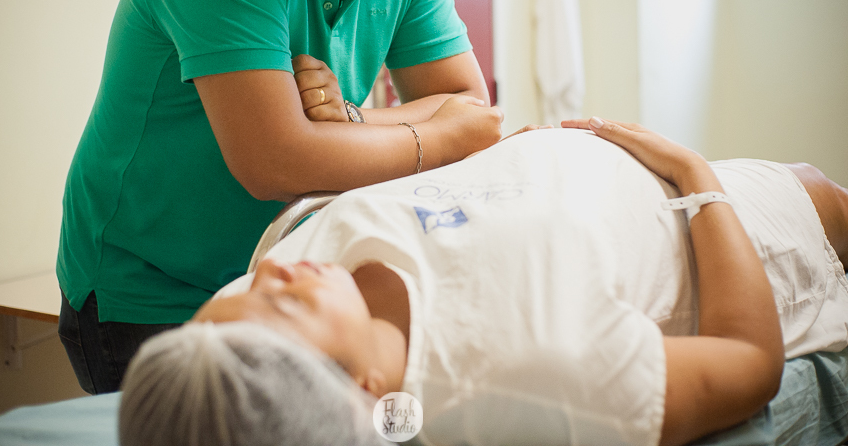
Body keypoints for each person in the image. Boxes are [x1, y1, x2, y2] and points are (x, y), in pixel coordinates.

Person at [56, 0, 505, 395]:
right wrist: (441, 138)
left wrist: (352, 121)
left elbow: (466, 103)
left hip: (278, 278)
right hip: (152, 293)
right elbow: (272, 162)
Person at [117, 118, 848, 446]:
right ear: (360, 389)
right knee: (825, 193)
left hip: (621, 180)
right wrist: (695, 177)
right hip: (738, 222)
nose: (269, 270)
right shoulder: (533, 374)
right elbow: (750, 365)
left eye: (236, 299)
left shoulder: (235, 332)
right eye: (275, 305)